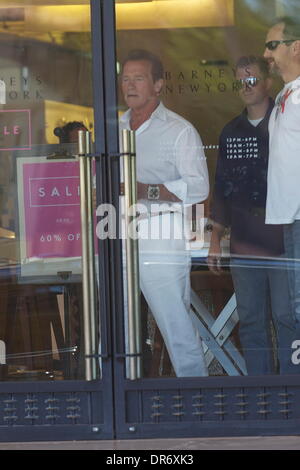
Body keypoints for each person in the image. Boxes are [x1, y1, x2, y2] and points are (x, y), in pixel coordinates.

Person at [119, 49, 209, 377]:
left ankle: (199, 399)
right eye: (125, 78)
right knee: (117, 326)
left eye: (138, 78)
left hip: (161, 229)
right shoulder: (114, 127)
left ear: (157, 85)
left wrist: (146, 189)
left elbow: (198, 188)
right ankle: (121, 403)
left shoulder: (178, 130)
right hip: (116, 229)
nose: (130, 84)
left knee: (174, 320)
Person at [208, 55, 297, 375]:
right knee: (251, 319)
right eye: (240, 82)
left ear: (267, 83)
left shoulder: (287, 119)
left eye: (252, 80)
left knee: (289, 317)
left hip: (283, 233)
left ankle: (291, 390)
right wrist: (216, 239)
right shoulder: (231, 131)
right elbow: (222, 187)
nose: (245, 87)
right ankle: (260, 392)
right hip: (244, 235)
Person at [263, 17, 300, 330]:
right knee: (293, 311)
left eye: (272, 45)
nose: (266, 54)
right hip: (289, 218)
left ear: (296, 47)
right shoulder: (286, 95)